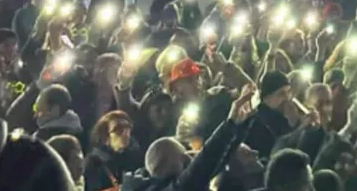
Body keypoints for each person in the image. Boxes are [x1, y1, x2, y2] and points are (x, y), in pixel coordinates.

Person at [121, 95, 253, 190]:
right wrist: (230, 124)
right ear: (162, 167)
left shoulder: (145, 183)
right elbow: (205, 162)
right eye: (184, 159)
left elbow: (216, 162)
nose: (191, 159)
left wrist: (240, 125)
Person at [85, 111, 143, 191]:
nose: (125, 133)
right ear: (105, 137)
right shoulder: (94, 163)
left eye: (127, 128)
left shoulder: (135, 156)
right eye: (118, 129)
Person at [244, 71, 296, 159]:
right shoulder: (256, 121)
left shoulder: (283, 117)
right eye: (281, 94)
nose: (287, 98)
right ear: (267, 96)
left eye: (288, 92)